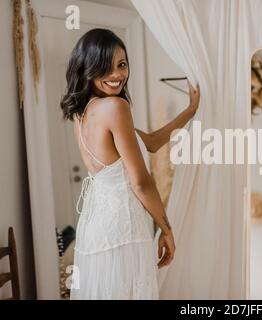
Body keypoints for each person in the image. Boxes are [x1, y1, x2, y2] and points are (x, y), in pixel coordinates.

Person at [60, 28, 200, 299]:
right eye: (106, 67)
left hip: (95, 225)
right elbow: (141, 181)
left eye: (122, 64)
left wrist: (190, 111)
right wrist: (167, 230)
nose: (117, 75)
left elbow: (151, 142)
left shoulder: (80, 114)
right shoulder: (115, 107)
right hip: (122, 225)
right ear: (88, 68)